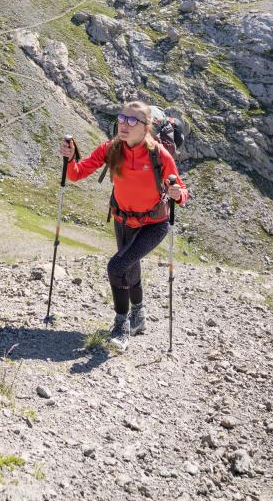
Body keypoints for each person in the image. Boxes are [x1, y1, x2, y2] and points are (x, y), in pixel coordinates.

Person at [61, 100, 188, 352]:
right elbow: (75, 174)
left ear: (146, 127)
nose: (124, 124)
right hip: (122, 219)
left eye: (132, 121)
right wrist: (69, 157)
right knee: (129, 268)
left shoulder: (158, 155)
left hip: (154, 223)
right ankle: (138, 317)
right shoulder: (111, 149)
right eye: (121, 118)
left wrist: (176, 193)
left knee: (116, 266)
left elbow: (182, 192)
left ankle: (121, 326)